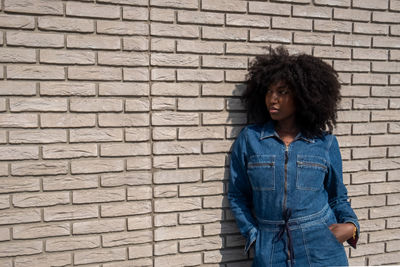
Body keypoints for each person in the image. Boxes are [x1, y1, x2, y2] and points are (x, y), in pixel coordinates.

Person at [228, 46, 359, 267]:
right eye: (269, 92)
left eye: (282, 92)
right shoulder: (250, 139)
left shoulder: (324, 143)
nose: (273, 99)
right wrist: (253, 236)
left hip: (321, 245)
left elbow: (337, 196)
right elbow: (237, 195)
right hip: (270, 248)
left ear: (302, 96)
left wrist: (350, 225)